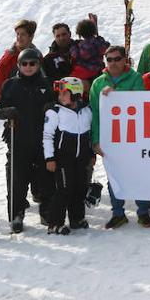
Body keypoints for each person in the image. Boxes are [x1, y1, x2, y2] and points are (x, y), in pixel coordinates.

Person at [0, 47, 54, 233]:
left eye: (33, 63)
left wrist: (51, 107)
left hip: (43, 139)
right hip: (18, 139)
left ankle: (47, 211)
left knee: (45, 178)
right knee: (17, 180)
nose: (29, 67)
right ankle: (16, 215)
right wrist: (8, 112)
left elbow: (59, 106)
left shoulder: (47, 83)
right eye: (24, 64)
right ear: (19, 65)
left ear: (38, 64)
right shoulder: (11, 84)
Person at [41, 77, 94, 235]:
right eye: (60, 93)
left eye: (65, 93)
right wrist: (49, 158)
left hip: (81, 157)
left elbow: (89, 134)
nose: (60, 97)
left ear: (76, 94)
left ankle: (77, 219)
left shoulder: (87, 110)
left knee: (80, 187)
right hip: (63, 158)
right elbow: (47, 136)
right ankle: (55, 223)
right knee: (65, 189)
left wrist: (91, 153)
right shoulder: (55, 111)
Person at [0, 19, 39, 100]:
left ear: (31, 36)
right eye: (17, 34)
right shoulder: (8, 59)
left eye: (23, 34)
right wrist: (8, 104)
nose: (19, 37)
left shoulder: (38, 56)